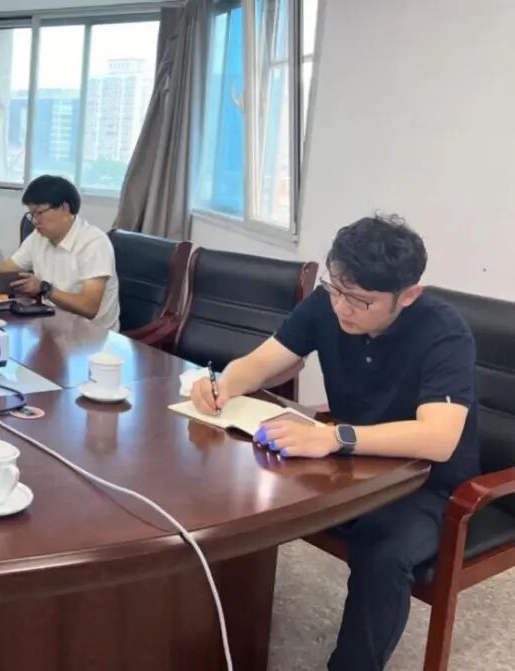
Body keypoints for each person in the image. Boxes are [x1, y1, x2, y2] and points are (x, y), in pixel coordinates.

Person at [188, 215, 478, 671]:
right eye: (337, 288)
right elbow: (265, 361)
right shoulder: (329, 302)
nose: (343, 307)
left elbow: (438, 438)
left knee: (382, 552)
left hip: (426, 484)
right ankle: (215, 634)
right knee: (242, 493)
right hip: (348, 463)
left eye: (361, 301)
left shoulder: (444, 332)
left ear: (408, 296)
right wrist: (223, 385)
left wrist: (333, 437)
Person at [0, 175, 120, 331]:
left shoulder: (93, 243)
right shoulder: (39, 237)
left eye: (39, 213)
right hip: (52, 323)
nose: (35, 221)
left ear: (65, 208)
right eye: (31, 215)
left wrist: (44, 288)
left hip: (93, 337)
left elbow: (89, 307)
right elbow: (3, 269)